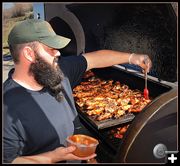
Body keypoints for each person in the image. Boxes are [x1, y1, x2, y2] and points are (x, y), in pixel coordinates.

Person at [3, 19, 152, 164]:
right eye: (51, 49)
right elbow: (9, 160)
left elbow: (94, 59)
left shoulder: (59, 71)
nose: (58, 53)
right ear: (29, 54)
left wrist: (132, 58)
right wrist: (51, 158)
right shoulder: (7, 107)